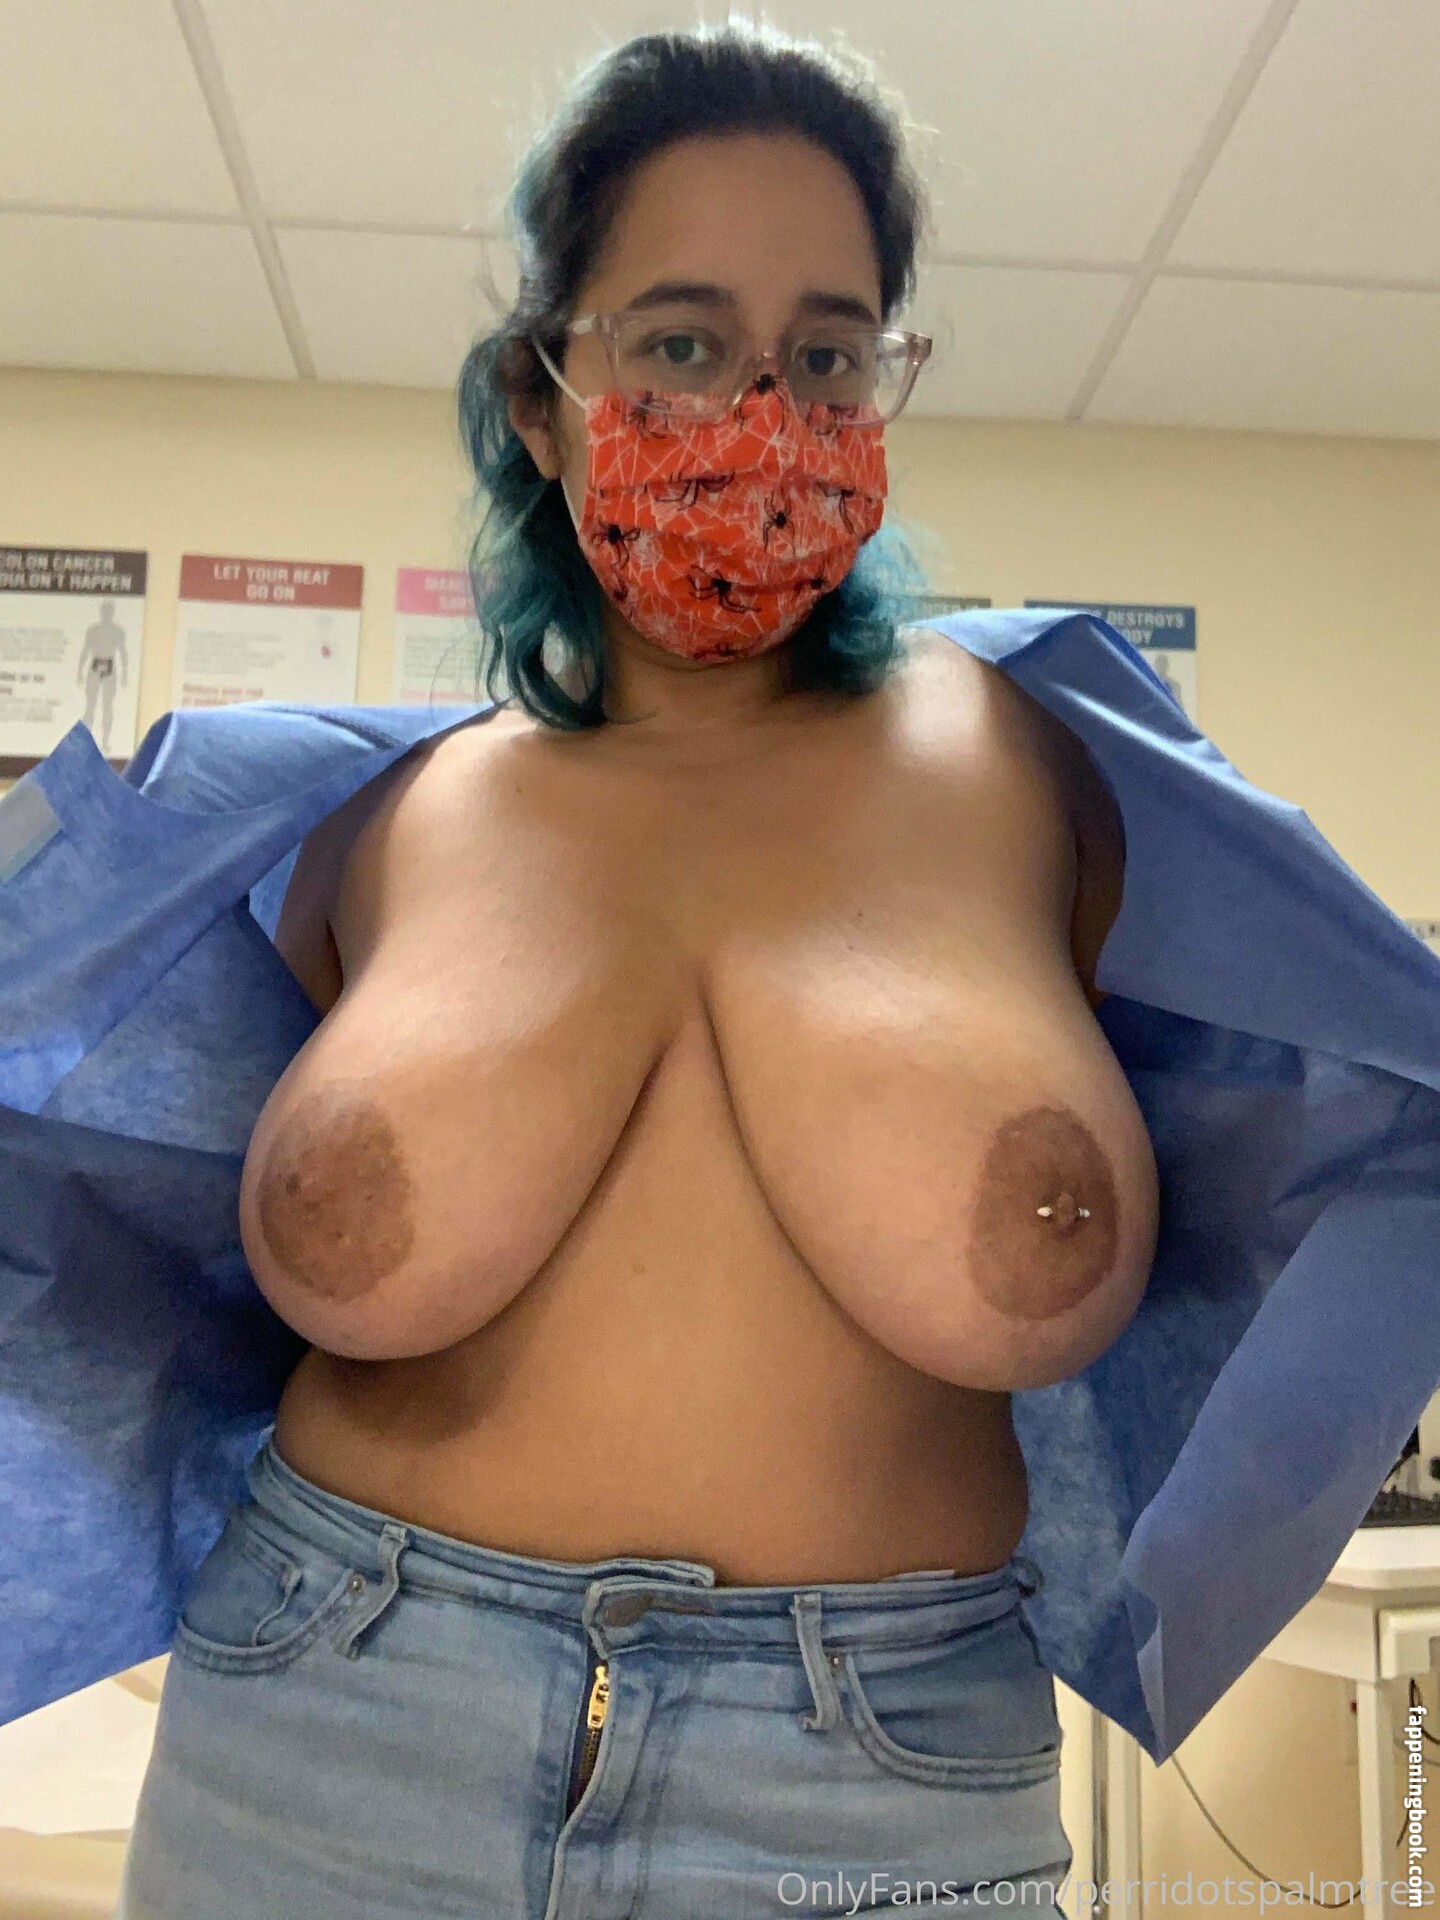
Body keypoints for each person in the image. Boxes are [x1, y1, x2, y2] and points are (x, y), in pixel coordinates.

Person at [116, 23, 1158, 1915]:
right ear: (542, 399)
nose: (763, 411)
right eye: (680, 343)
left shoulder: (1051, 780)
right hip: (324, 1740)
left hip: (874, 1797)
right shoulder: (378, 831)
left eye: (827, 355)